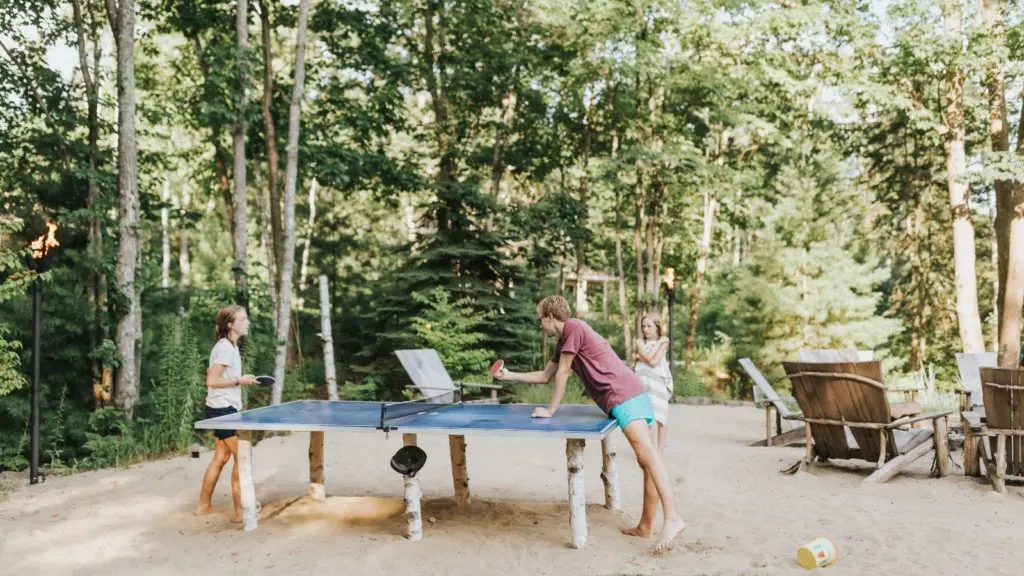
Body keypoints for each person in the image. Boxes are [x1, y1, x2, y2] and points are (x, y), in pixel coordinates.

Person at [495, 295, 685, 554]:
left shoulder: (573, 327)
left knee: (647, 454)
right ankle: (646, 525)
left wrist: (551, 410)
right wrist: (509, 375)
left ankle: (672, 517)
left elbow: (563, 372)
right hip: (629, 392)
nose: (540, 324)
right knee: (646, 460)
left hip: (623, 394)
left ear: (551, 318)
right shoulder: (564, 340)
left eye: (540, 319)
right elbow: (545, 375)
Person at [195, 305, 256, 523]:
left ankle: (203, 506)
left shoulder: (231, 346)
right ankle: (240, 512)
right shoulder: (225, 348)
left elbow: (221, 376)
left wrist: (241, 378)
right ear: (230, 324)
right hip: (222, 410)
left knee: (221, 457)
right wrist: (239, 380)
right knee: (242, 456)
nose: (247, 322)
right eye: (243, 319)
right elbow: (211, 380)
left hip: (223, 408)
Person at [633, 312, 672, 453]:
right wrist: (642, 355)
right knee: (648, 416)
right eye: (643, 326)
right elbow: (649, 359)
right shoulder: (639, 342)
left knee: (661, 417)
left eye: (649, 326)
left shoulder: (664, 341)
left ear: (657, 327)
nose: (645, 329)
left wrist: (638, 357)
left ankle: (659, 452)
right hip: (643, 381)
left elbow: (655, 363)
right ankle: (651, 450)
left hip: (657, 382)